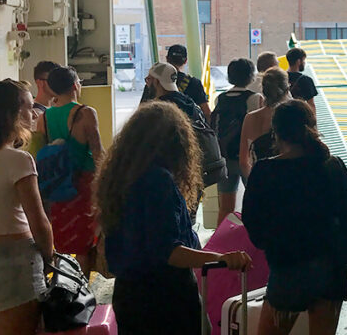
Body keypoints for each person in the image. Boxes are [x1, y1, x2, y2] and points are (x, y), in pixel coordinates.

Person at [96, 102, 251, 335]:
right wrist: (221, 258)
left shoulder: (120, 179)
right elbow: (169, 252)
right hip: (165, 300)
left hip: (129, 294)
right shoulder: (158, 181)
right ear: (176, 143)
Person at [243, 101, 347, 335]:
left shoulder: (265, 172)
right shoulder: (332, 165)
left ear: (276, 133)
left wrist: (274, 245)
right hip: (330, 268)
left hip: (287, 268)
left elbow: (254, 224)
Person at [0, 80, 54, 335]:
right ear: (12, 114)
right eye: (28, 107)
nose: (34, 113)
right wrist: (50, 258)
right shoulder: (18, 160)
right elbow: (38, 221)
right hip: (14, 260)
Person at [35, 66, 104, 273]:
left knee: (63, 239)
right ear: (75, 85)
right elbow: (98, 151)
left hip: (57, 184)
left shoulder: (44, 117)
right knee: (83, 244)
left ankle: (63, 284)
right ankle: (81, 287)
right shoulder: (85, 113)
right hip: (83, 183)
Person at [211, 58, 264, 226]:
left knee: (226, 207)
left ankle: (221, 238)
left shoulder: (220, 98)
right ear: (251, 76)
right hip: (247, 159)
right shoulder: (254, 98)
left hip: (225, 158)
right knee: (256, 204)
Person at [240, 68, 292, 181]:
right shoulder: (289, 117)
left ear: (263, 90)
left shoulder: (249, 118)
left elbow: (243, 161)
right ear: (287, 90)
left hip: (260, 178)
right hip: (284, 179)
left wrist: (253, 183)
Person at [141, 44, 211, 120]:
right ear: (185, 61)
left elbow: (141, 111)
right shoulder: (194, 83)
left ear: (167, 59)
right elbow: (206, 112)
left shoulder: (153, 83)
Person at [286, 48, 318, 113]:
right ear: (298, 61)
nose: (304, 63)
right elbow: (311, 104)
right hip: (299, 115)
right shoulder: (306, 80)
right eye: (303, 60)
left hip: (283, 114)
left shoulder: (280, 77)